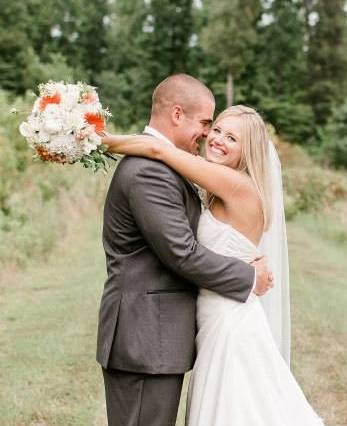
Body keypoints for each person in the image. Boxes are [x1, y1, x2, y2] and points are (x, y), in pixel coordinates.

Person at [102, 98, 323, 424]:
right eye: (215, 129)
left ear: (248, 152)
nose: (216, 139)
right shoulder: (222, 186)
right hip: (213, 318)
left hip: (228, 321)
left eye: (232, 138)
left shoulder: (236, 186)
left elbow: (159, 151)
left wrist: (100, 141)